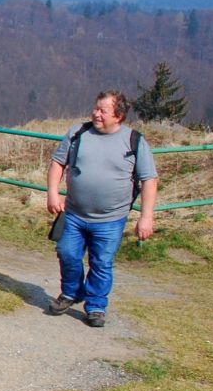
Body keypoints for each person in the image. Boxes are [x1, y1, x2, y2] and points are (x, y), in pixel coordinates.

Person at [46, 90, 158, 328]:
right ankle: (71, 292)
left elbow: (149, 179)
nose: (95, 114)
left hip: (111, 219)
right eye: (95, 108)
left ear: (118, 116)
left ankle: (96, 306)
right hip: (74, 214)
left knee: (102, 262)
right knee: (67, 253)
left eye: (102, 110)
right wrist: (53, 193)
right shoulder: (77, 133)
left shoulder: (135, 141)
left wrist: (146, 217)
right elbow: (57, 163)